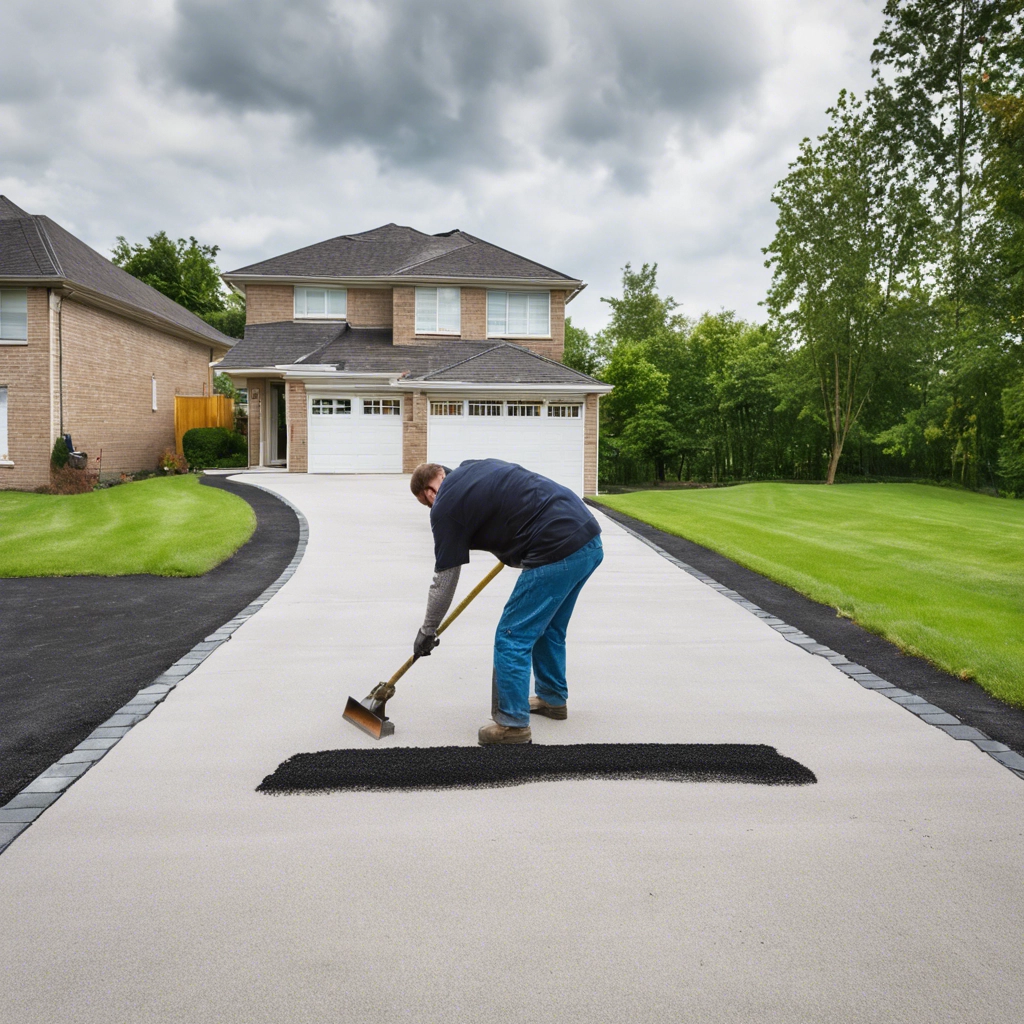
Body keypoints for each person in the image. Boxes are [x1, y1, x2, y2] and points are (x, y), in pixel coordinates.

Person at [410, 458, 603, 745]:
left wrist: (427, 630)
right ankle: (552, 698)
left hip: (555, 547)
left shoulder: (444, 506)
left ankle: (512, 725)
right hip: (588, 537)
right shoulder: (471, 468)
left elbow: (445, 580)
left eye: (426, 503)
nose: (431, 508)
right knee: (547, 626)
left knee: (512, 635)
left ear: (428, 492)